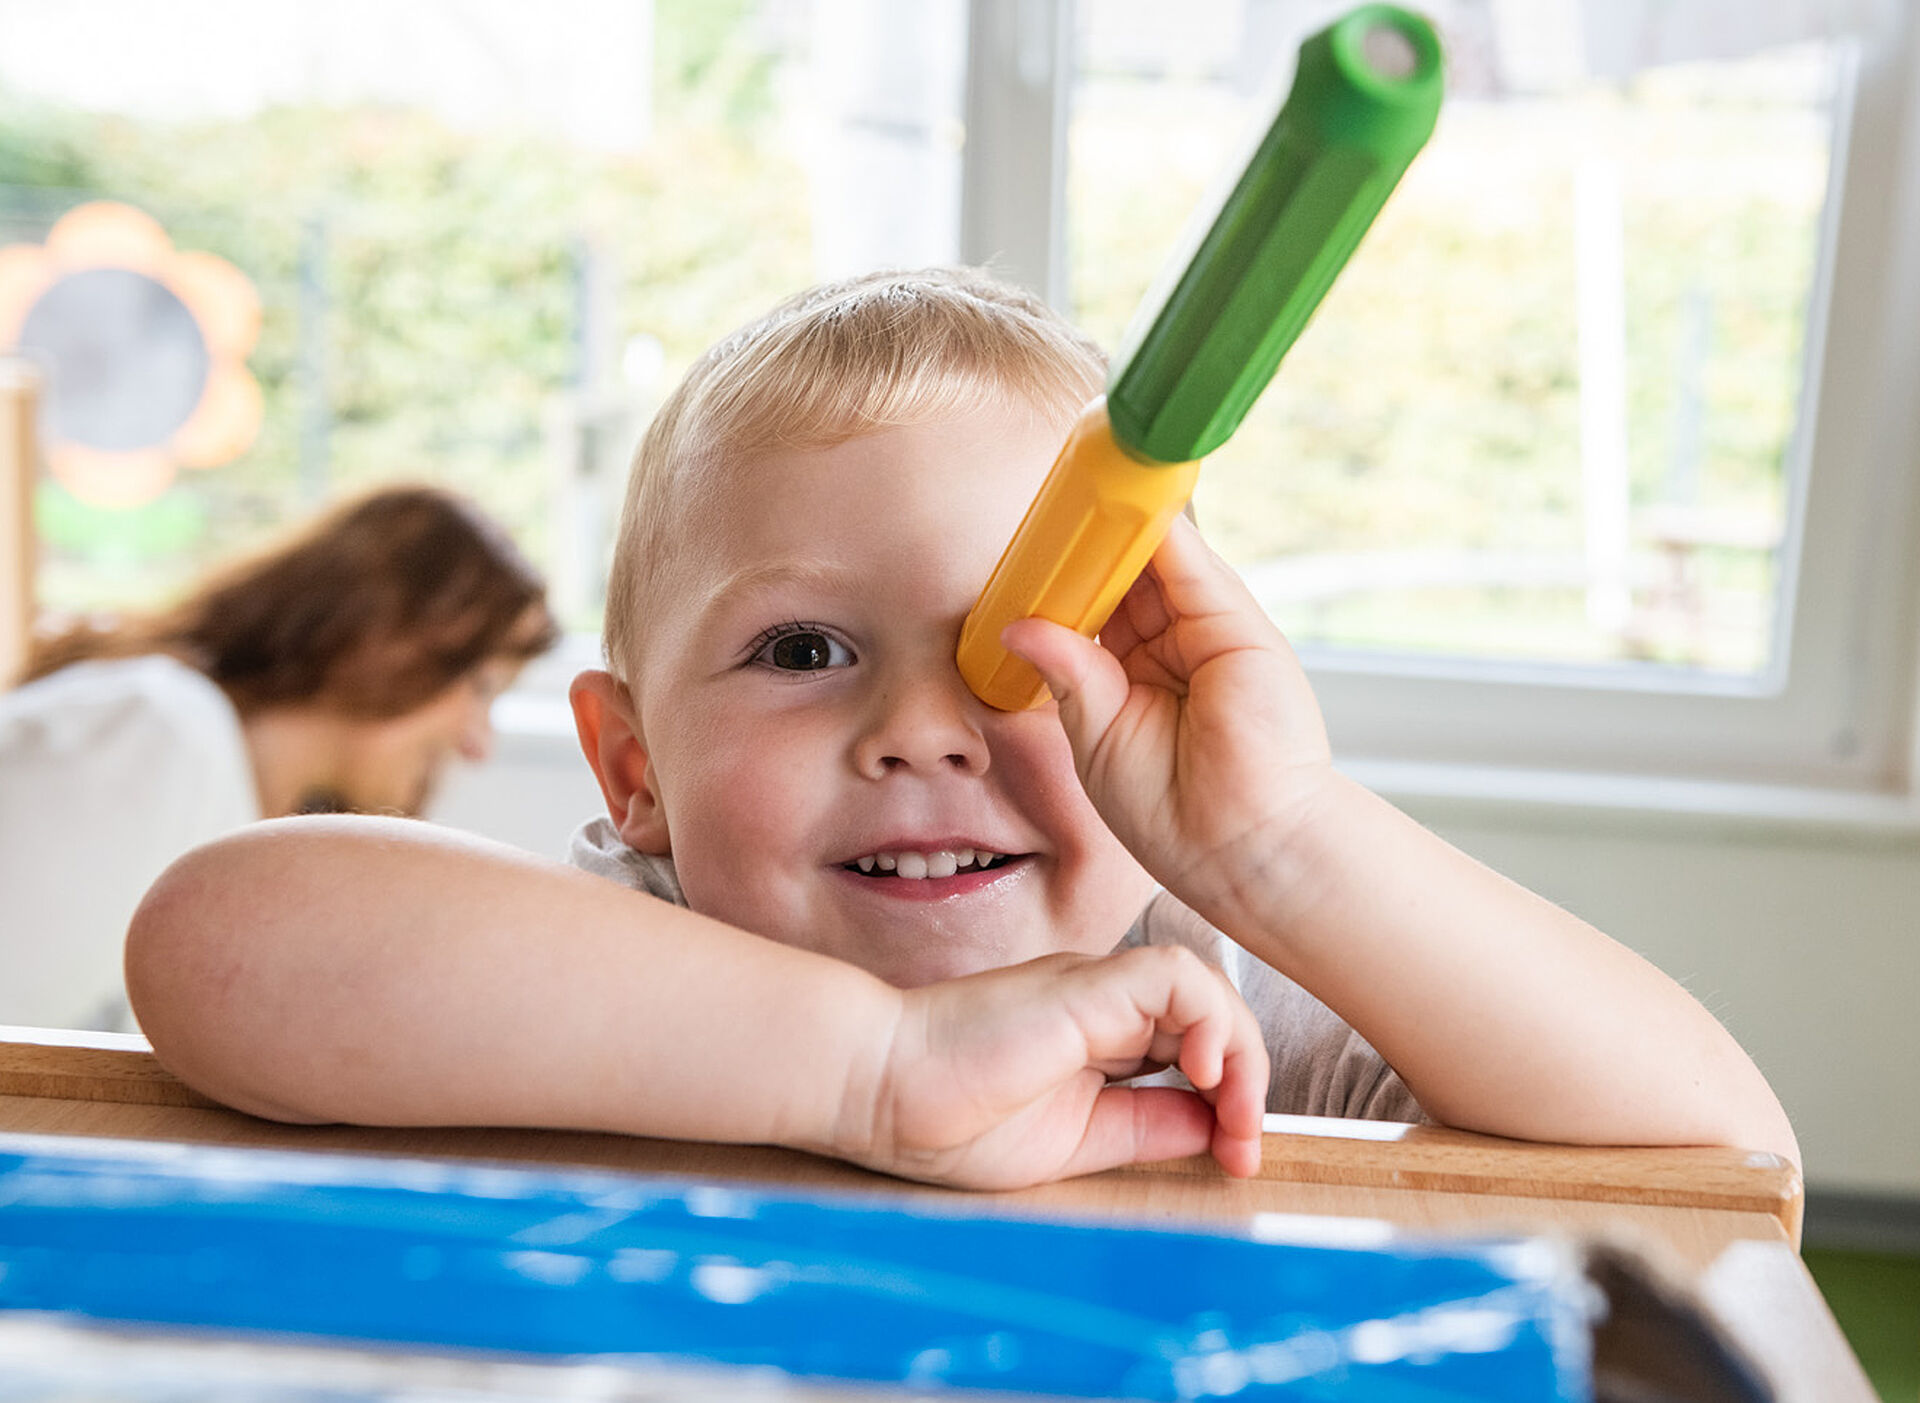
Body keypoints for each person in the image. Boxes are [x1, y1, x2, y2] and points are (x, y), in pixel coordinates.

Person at [125, 269, 1798, 1191]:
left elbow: (1720, 1161)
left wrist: (1277, 842)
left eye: (1021, 650)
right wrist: (879, 1071)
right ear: (634, 770)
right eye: (801, 646)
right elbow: (219, 942)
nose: (924, 727)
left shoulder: (1202, 996)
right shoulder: (605, 953)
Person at [1, 484, 558, 1031]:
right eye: (481, 686)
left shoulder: (228, 800)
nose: (478, 745)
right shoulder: (158, 735)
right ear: (383, 639)